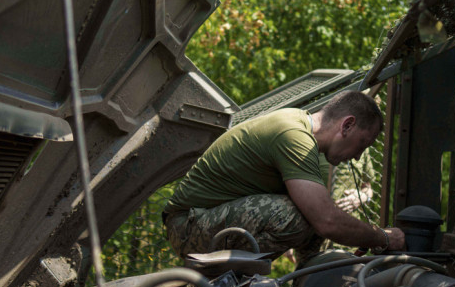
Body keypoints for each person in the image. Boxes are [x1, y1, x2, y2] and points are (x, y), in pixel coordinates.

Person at [163, 90, 405, 263]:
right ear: (347, 125)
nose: (358, 156)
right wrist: (382, 237)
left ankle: (308, 280)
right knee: (298, 215)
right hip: (188, 228)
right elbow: (327, 220)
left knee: (311, 214)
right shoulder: (294, 136)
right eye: (362, 144)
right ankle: (233, 278)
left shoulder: (299, 126)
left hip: (205, 223)